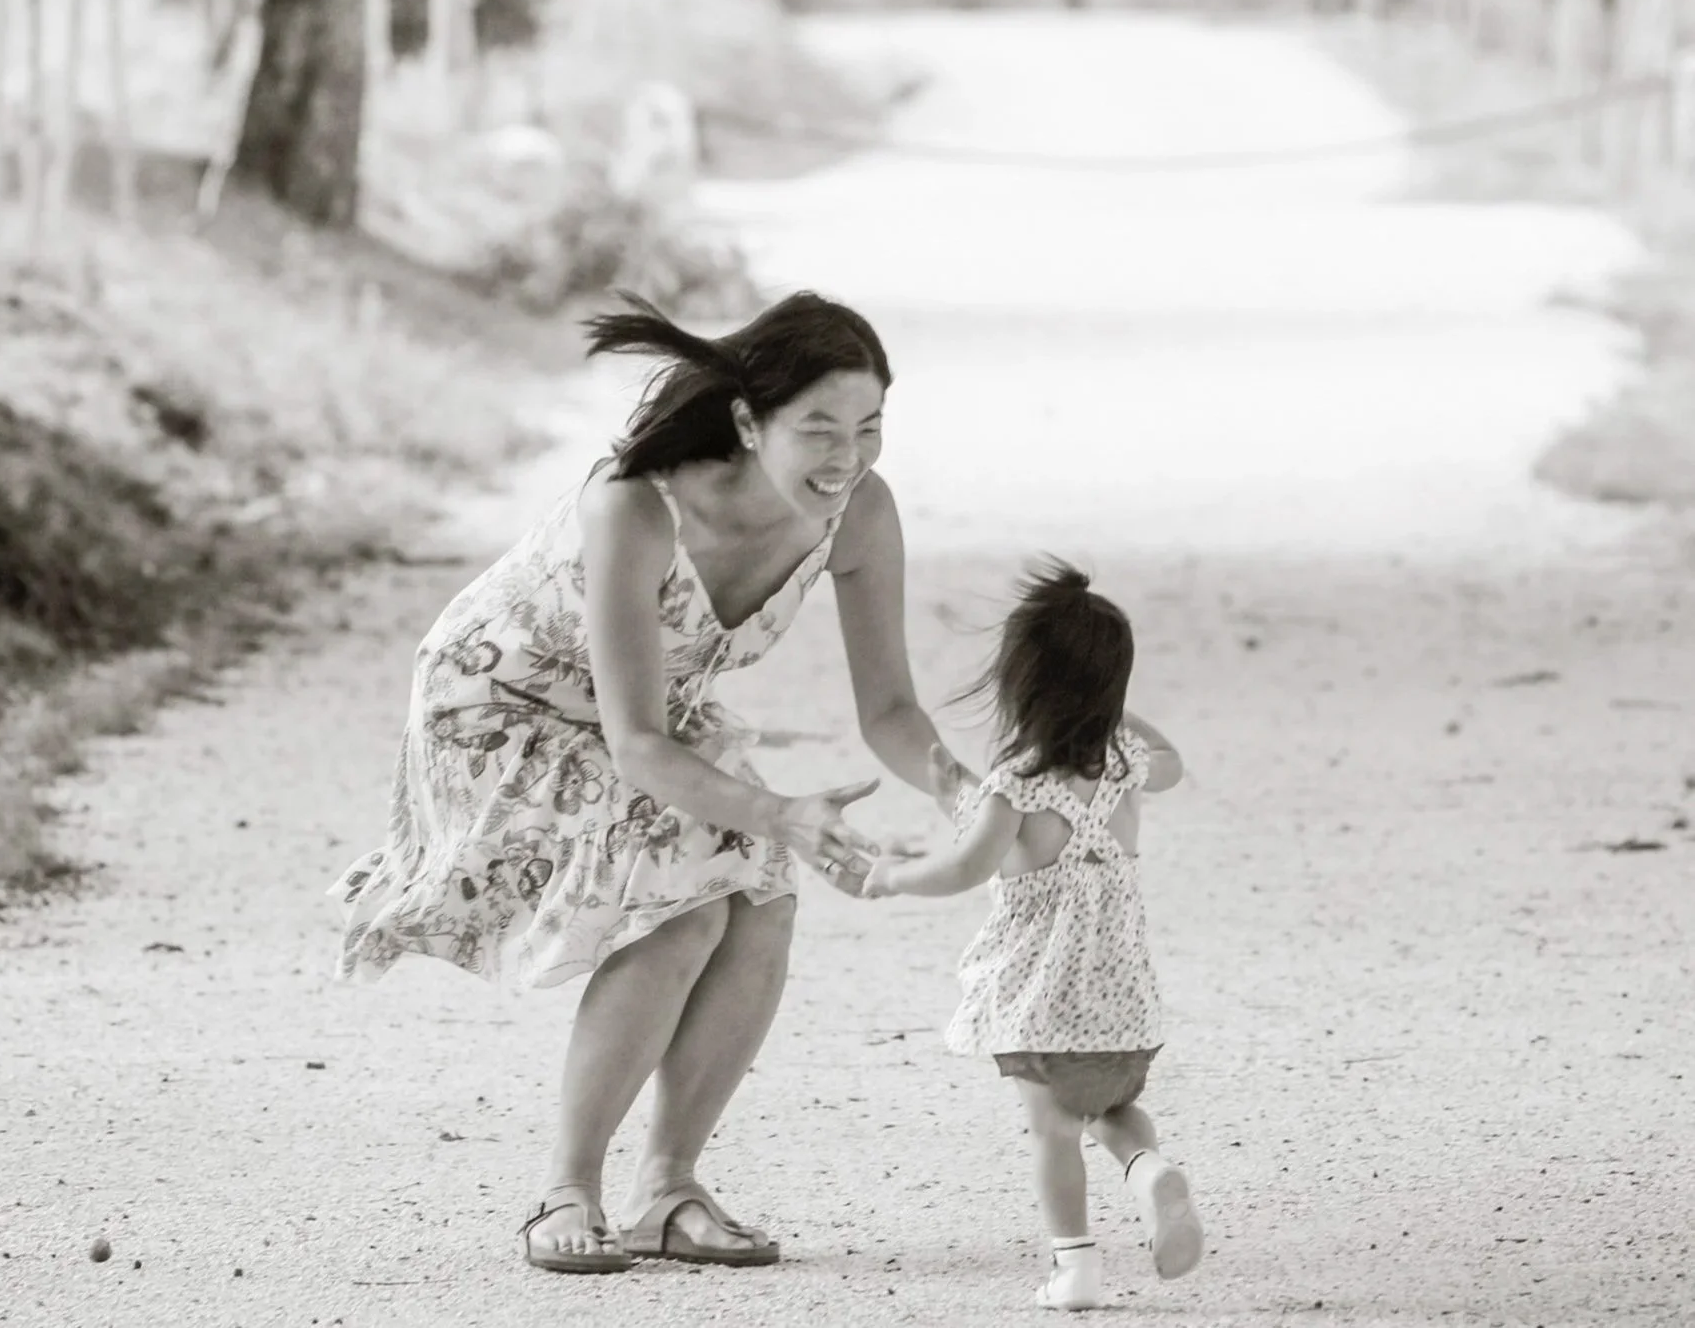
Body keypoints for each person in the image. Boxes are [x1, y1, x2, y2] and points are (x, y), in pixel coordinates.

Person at [328, 290, 969, 1274]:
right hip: (500, 708)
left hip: (645, 715)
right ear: (749, 423)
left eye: (871, 425)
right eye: (820, 428)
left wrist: (979, 802)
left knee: (760, 893)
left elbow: (889, 709)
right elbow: (634, 745)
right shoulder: (635, 506)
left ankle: (666, 1190)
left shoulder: (859, 513)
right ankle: (564, 1190)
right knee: (682, 899)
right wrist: (777, 808)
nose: (849, 454)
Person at [863, 558, 1203, 1310]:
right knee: (1110, 1108)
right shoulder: (1124, 763)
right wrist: (1113, 714)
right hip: (1120, 993)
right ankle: (1149, 1172)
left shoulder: (1017, 780)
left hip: (1042, 996)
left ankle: (1074, 1270)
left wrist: (892, 875)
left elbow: (966, 866)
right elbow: (1173, 764)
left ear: (1018, 684)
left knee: (1053, 1130)